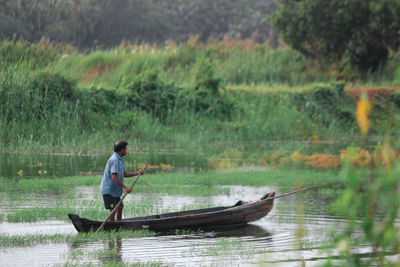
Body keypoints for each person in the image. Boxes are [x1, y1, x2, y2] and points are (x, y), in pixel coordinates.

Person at [100, 140, 145, 221]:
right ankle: (112, 226)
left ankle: (119, 224)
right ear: (121, 150)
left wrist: (137, 173)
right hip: (109, 191)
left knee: (120, 207)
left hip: (115, 191)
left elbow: (124, 174)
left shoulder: (120, 159)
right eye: (126, 149)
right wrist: (125, 187)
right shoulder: (114, 160)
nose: (126, 151)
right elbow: (114, 177)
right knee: (113, 209)